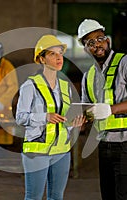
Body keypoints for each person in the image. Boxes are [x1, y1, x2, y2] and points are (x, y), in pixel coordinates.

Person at [77, 19, 127, 200]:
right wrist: (80, 122)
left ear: (107, 40)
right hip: (105, 143)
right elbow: (88, 109)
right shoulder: (89, 76)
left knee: (125, 196)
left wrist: (111, 109)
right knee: (108, 196)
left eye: (99, 39)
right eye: (90, 43)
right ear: (86, 49)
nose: (97, 45)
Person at [16, 34, 85, 200]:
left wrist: (73, 123)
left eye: (60, 53)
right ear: (41, 59)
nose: (58, 57)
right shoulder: (30, 86)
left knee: (57, 197)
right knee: (34, 197)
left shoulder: (65, 87)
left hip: (62, 151)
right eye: (52, 54)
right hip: (37, 151)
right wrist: (45, 117)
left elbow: (64, 120)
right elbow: (20, 118)